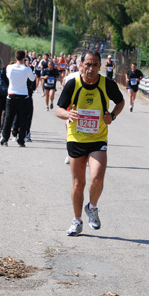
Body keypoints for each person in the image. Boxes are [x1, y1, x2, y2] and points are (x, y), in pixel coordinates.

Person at [56, 50, 125, 236]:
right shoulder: (73, 84)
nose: (91, 68)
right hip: (76, 138)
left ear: (100, 66)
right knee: (78, 183)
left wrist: (112, 116)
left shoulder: (107, 84)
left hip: (98, 138)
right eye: (88, 64)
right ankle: (76, 221)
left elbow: (120, 102)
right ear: (81, 66)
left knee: (97, 178)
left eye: (95, 65)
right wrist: (68, 114)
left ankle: (92, 207)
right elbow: (59, 109)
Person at [0, 50, 35, 147]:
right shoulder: (26, 69)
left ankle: (5, 139)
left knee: (8, 118)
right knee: (22, 119)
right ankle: (21, 140)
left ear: (15, 58)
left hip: (11, 95)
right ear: (24, 58)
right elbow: (32, 79)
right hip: (23, 96)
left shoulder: (9, 67)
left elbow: (7, 76)